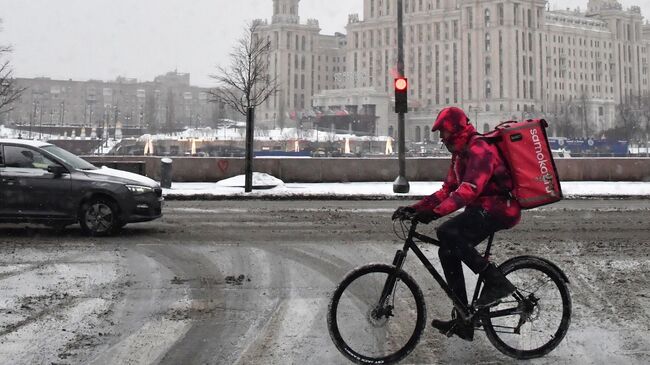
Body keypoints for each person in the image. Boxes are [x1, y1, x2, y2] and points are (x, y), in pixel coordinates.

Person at [392, 106, 521, 341]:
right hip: (481, 209)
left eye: (444, 132)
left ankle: (497, 283)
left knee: (446, 231)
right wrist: (416, 208)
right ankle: (465, 319)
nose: (441, 138)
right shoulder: (460, 154)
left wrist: (435, 214)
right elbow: (447, 190)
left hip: (499, 209)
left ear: (456, 130)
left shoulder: (480, 148)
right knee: (447, 251)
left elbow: (469, 189)